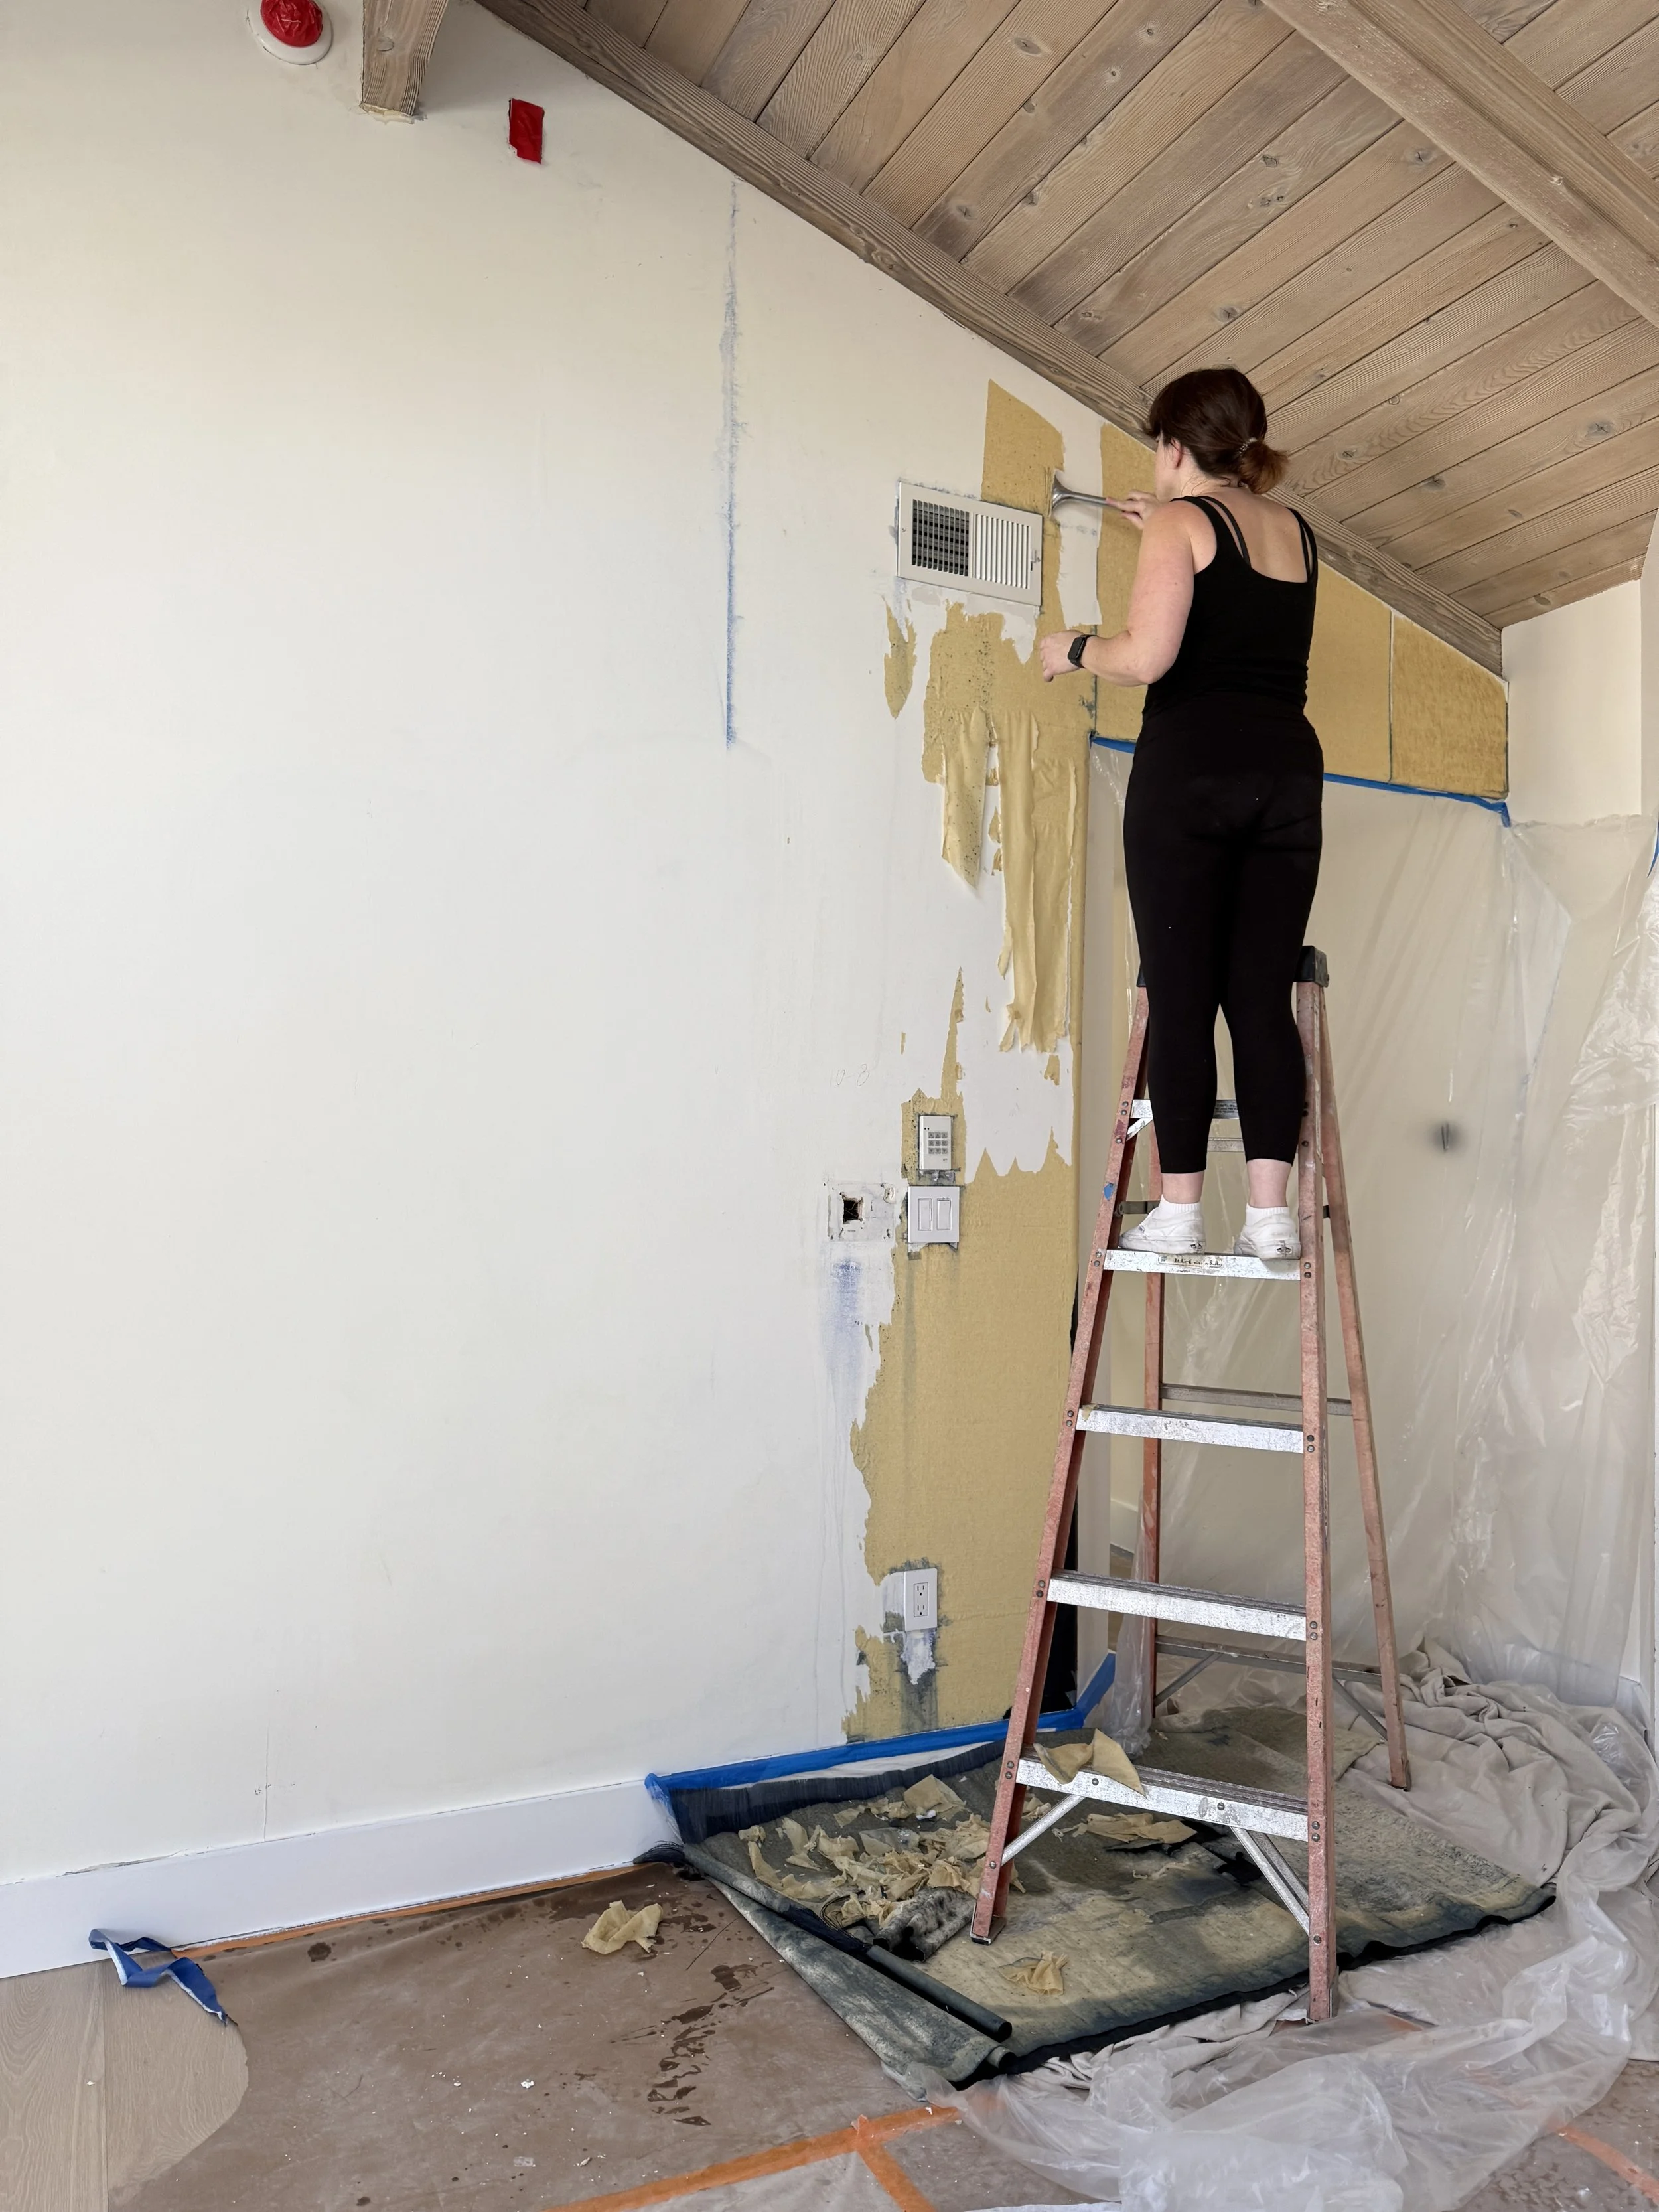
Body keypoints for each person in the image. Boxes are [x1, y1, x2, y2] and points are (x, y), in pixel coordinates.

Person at [1040, 366, 1320, 1260]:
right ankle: (1272, 1217)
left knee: (1181, 991)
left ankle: (1183, 1212)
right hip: (1284, 774)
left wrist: (1072, 648)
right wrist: (1160, 529)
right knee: (1259, 996)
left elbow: (1149, 657)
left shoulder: (1178, 523)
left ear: (1171, 445)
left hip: (1192, 772)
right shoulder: (1296, 531)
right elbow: (1234, 606)